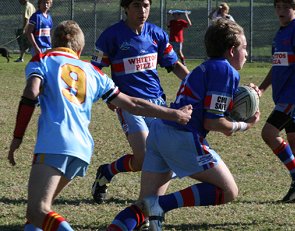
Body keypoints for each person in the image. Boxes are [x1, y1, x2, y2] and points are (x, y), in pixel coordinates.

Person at [7, 20, 192, 231]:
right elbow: (133, 103)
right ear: (80, 48)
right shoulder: (92, 71)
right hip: (82, 148)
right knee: (38, 215)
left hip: (54, 141)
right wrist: (174, 114)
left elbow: (31, 93)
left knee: (36, 210)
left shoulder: (43, 58)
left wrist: (17, 137)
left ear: (52, 41)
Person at [106, 19, 260, 231]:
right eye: (245, 48)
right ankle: (161, 205)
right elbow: (213, 121)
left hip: (161, 132)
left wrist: (248, 96)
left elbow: (214, 107)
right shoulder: (226, 71)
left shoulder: (206, 68)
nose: (247, 54)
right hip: (182, 136)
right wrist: (243, 125)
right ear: (232, 50)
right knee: (228, 191)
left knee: (142, 207)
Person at [90, 0, 190, 204]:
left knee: (154, 158)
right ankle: (148, 205)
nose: (142, 10)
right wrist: (108, 94)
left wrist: (194, 84)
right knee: (145, 157)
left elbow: (174, 65)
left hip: (157, 104)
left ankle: (107, 171)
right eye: (136, 5)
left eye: (145, 5)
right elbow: (95, 70)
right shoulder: (111, 35)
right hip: (128, 104)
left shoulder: (157, 34)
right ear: (125, 8)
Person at [258, 0, 295, 203]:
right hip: (284, 96)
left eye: (286, 7)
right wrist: (263, 88)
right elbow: (277, 65)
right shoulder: (280, 33)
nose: (281, 11)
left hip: (294, 96)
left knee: (269, 133)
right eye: (278, 6)